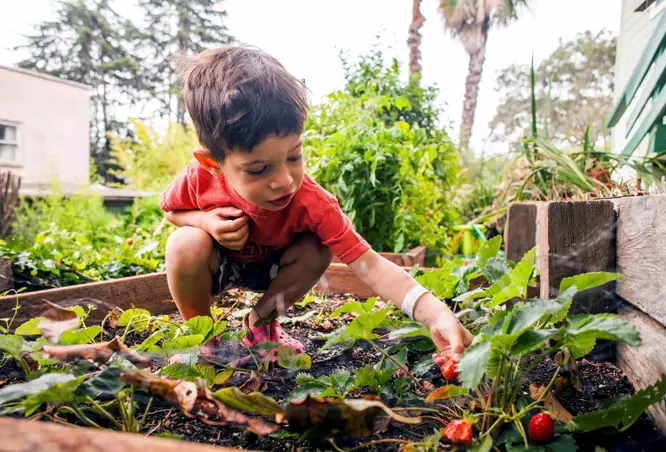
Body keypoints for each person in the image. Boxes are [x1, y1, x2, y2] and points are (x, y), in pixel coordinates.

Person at [160, 43, 472, 368]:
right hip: (220, 265)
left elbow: (372, 266)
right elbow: (171, 211)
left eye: (294, 156)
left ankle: (260, 326)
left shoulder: (313, 202)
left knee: (319, 248)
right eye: (258, 169)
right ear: (212, 163)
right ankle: (203, 337)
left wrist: (434, 313)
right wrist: (206, 222)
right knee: (184, 242)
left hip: (274, 272)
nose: (284, 180)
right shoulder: (199, 178)